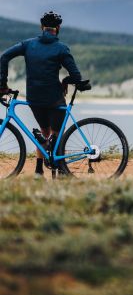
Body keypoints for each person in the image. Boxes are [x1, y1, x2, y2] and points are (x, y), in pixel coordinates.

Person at [0, 11, 83, 176]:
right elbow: (76, 76)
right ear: (58, 28)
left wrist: (2, 85)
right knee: (58, 134)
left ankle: (38, 171)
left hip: (34, 97)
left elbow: (4, 57)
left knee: (44, 132)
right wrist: (66, 82)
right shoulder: (61, 48)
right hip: (54, 98)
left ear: (41, 27)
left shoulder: (28, 45)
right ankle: (61, 172)